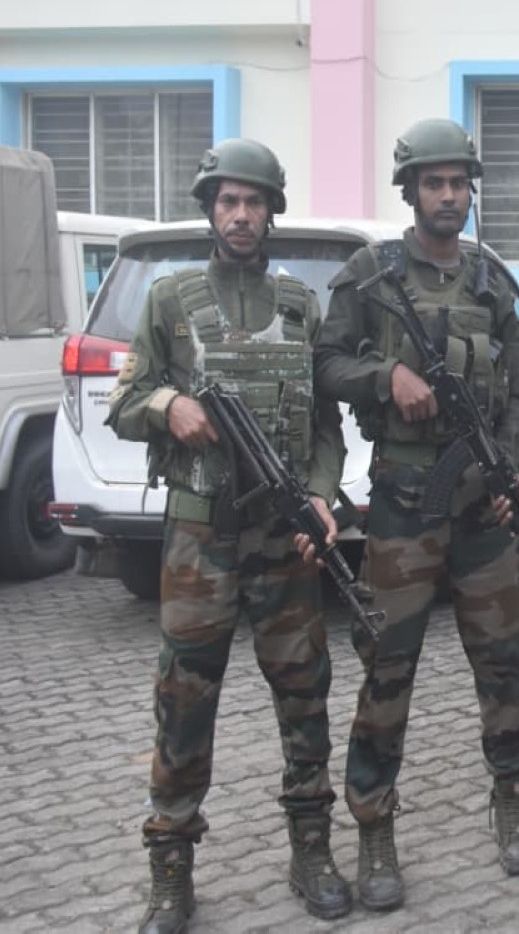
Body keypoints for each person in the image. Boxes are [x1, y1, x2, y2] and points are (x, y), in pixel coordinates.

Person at [107, 139, 351, 932]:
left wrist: (320, 497)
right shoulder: (172, 300)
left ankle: (311, 849)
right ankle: (171, 869)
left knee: (304, 695)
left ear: (270, 209)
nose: (241, 216)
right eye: (227, 202)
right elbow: (127, 394)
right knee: (184, 702)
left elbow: (324, 426)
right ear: (210, 209)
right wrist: (166, 408)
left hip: (282, 544)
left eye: (254, 202)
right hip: (200, 537)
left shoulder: (298, 306)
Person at [313, 119, 519, 911]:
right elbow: (325, 363)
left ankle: (510, 790)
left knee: (503, 656)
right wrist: (386, 379)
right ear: (410, 191)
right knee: (389, 668)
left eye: (458, 183)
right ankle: (375, 828)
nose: (448, 196)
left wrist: (511, 468)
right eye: (433, 183)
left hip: (482, 509)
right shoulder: (370, 275)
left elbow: (516, 388)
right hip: (406, 510)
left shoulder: (490, 280)